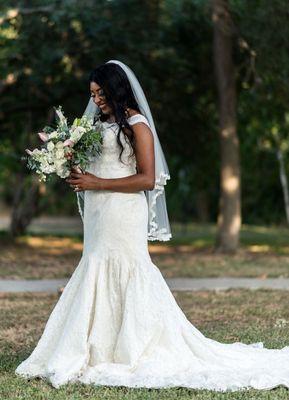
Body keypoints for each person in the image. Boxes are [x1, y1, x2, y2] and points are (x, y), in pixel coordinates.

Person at [15, 60, 289, 392]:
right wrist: (70, 165)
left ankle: (132, 346)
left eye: (101, 93)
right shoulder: (96, 124)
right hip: (100, 210)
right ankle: (94, 345)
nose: (96, 99)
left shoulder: (137, 124)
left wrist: (96, 183)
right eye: (92, 93)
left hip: (123, 210)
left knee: (127, 267)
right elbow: (95, 162)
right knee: (95, 265)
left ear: (117, 89)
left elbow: (147, 178)